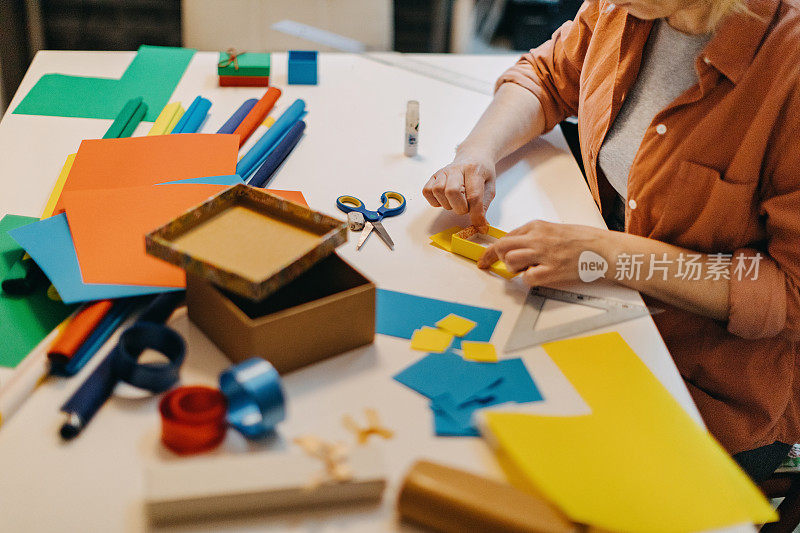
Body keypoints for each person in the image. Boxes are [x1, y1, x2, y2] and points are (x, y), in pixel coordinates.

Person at [423, 0, 800, 482]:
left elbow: (787, 289)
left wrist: (609, 256)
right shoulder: (622, 7)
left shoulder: (786, 65)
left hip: (712, 389)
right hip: (604, 317)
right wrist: (478, 152)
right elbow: (546, 76)